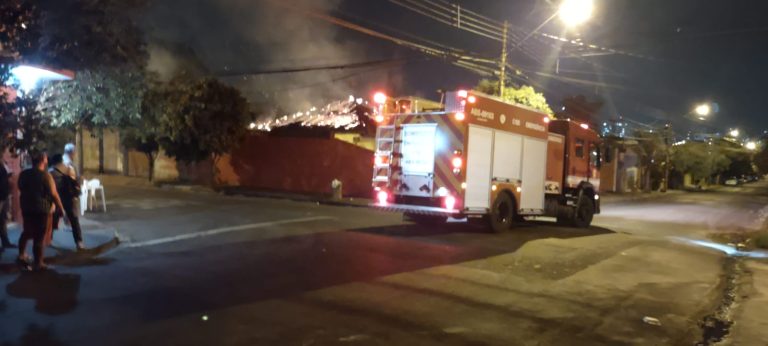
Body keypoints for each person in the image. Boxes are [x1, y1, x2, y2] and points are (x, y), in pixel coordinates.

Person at [17, 151, 66, 271]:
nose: (47, 160)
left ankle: (21, 255)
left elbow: (20, 187)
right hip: (41, 209)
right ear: (43, 160)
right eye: (45, 158)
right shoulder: (45, 176)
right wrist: (61, 208)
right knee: (39, 236)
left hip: (27, 207)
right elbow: (53, 194)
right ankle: (38, 262)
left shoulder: (24, 174)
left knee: (27, 232)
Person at [49, 154, 85, 250]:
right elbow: (76, 182)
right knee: (74, 220)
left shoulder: (51, 172)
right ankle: (79, 242)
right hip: (70, 198)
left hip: (57, 199)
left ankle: (49, 239)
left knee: (53, 219)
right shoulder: (69, 168)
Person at [0, 159, 14, 248]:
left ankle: (5, 242)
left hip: (4, 195)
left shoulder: (2, 164)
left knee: (3, 220)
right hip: (2, 195)